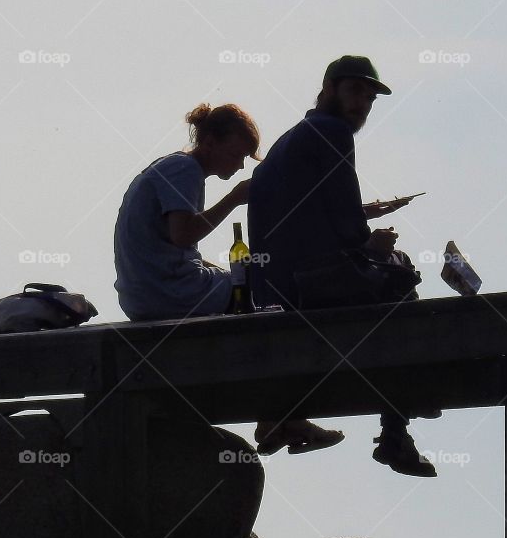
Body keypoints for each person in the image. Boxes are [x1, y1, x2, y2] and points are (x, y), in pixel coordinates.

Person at [113, 102, 344, 455]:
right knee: (276, 291)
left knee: (250, 283)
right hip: (168, 293)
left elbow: (172, 246)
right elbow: (182, 235)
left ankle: (276, 416)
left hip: (146, 293)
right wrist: (236, 198)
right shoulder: (185, 169)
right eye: (236, 154)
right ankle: (282, 415)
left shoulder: (170, 167)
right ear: (208, 142)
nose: (239, 165)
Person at [248, 56, 438, 477]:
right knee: (400, 272)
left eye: (370, 98)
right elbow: (347, 224)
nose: (363, 105)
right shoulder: (331, 131)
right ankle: (402, 417)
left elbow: (316, 214)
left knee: (388, 271)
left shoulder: (293, 137)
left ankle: (398, 418)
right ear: (329, 88)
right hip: (304, 284)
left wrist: (360, 233)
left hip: (272, 286)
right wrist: (371, 243)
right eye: (355, 92)